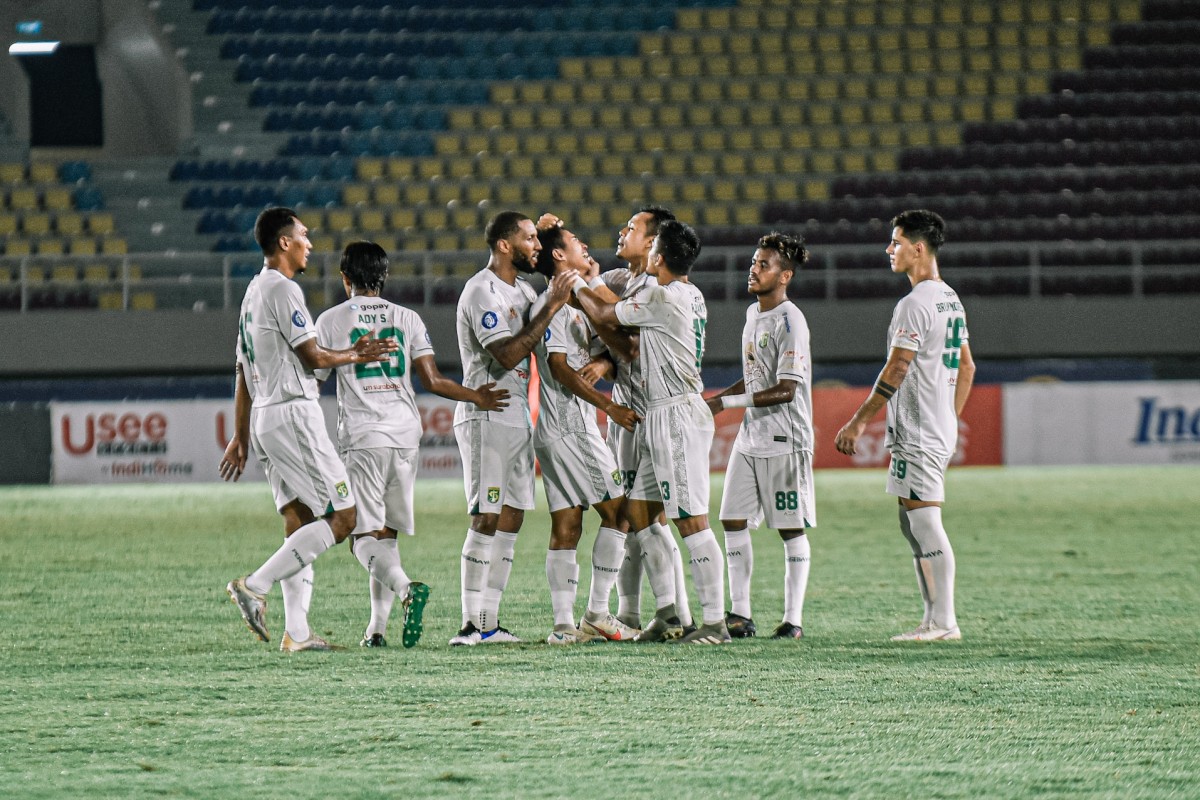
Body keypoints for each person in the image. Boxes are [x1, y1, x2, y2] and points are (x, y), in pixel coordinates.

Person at [314, 241, 509, 648]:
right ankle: (377, 630)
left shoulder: (330, 321)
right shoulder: (407, 317)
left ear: (345, 278)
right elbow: (434, 381)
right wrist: (479, 396)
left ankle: (406, 589)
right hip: (405, 434)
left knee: (360, 538)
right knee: (385, 536)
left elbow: (313, 381)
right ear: (384, 277)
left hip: (365, 437)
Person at [224, 207, 399, 651]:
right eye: (303, 235)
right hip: (292, 414)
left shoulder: (251, 292)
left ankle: (298, 633)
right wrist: (356, 354)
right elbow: (314, 357)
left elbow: (242, 368)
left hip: (266, 416)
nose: (310, 243)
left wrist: (241, 435)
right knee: (344, 517)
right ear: (284, 243)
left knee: (298, 518)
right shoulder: (283, 290)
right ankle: (255, 585)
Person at [574, 219, 729, 644]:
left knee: (692, 520)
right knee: (640, 515)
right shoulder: (690, 293)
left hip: (675, 414)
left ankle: (715, 623)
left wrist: (575, 281)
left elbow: (605, 313)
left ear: (659, 256)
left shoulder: (661, 296)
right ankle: (667, 613)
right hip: (662, 413)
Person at [834, 209, 975, 642]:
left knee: (924, 521)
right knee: (911, 521)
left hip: (920, 431)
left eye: (895, 242)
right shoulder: (949, 297)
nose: (888, 249)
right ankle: (932, 620)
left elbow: (897, 368)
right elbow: (966, 367)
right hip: (933, 426)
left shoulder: (915, 304)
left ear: (918, 248)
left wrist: (858, 423)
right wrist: (949, 417)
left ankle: (944, 621)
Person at [450, 211, 576, 645]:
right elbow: (505, 354)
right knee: (486, 516)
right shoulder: (480, 290)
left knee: (510, 518)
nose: (535, 247)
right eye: (527, 240)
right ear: (504, 245)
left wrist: (544, 231)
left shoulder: (522, 288)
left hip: (517, 414)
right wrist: (552, 306)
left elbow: (548, 265)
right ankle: (470, 624)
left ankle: (489, 624)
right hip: (487, 414)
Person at [530, 216, 640, 644]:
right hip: (571, 428)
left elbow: (608, 349)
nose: (585, 246)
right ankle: (597, 613)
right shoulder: (555, 301)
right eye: (576, 242)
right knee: (621, 515)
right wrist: (609, 406)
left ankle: (562, 626)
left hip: (556, 429)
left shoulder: (574, 299)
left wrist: (603, 363)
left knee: (567, 525)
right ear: (559, 255)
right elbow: (558, 366)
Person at [707, 233, 815, 641]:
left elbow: (787, 389)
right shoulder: (754, 315)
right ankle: (741, 614)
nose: (753, 269)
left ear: (785, 275)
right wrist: (719, 399)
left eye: (763, 265)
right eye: (753, 262)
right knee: (731, 519)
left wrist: (728, 406)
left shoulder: (791, 321)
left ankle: (793, 620)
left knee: (789, 529)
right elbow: (755, 376)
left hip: (785, 440)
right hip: (751, 437)